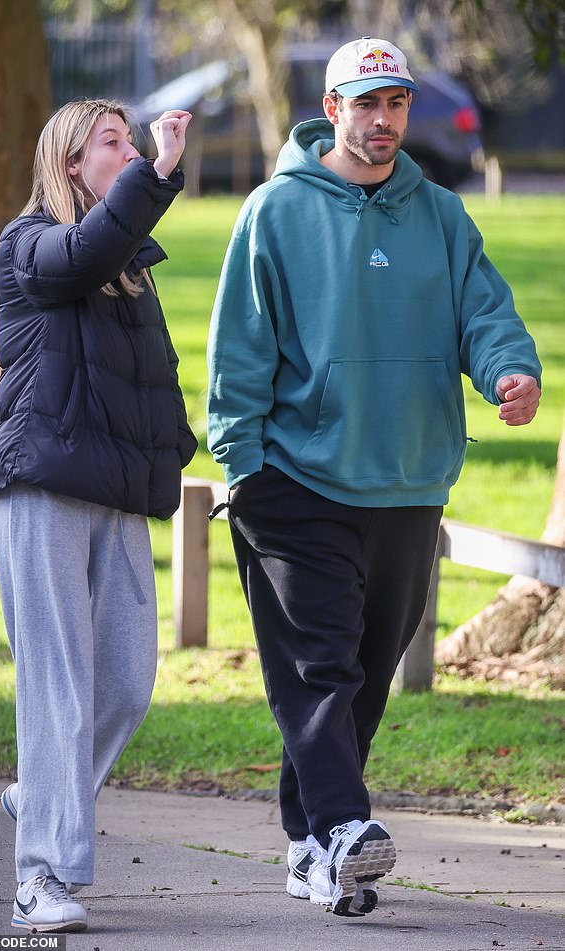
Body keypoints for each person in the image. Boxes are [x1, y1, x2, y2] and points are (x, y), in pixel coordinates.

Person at [206, 37, 541, 919]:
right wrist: (241, 468)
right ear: (332, 108)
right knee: (318, 668)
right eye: (367, 104)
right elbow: (237, 351)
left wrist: (509, 370)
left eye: (396, 104)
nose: (384, 120)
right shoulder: (275, 212)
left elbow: (484, 310)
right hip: (294, 480)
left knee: (365, 671)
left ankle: (312, 844)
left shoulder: (438, 215)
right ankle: (349, 826)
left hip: (407, 481)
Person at [0, 99, 197, 933]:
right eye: (115, 144)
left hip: (118, 499)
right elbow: (86, 246)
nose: (132, 151)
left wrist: (177, 451)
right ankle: (42, 872)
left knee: (126, 684)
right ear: (74, 163)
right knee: (58, 689)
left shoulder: (131, 273)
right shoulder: (30, 245)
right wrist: (161, 172)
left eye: (133, 144)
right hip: (43, 487)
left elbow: (151, 383)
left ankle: (38, 797)